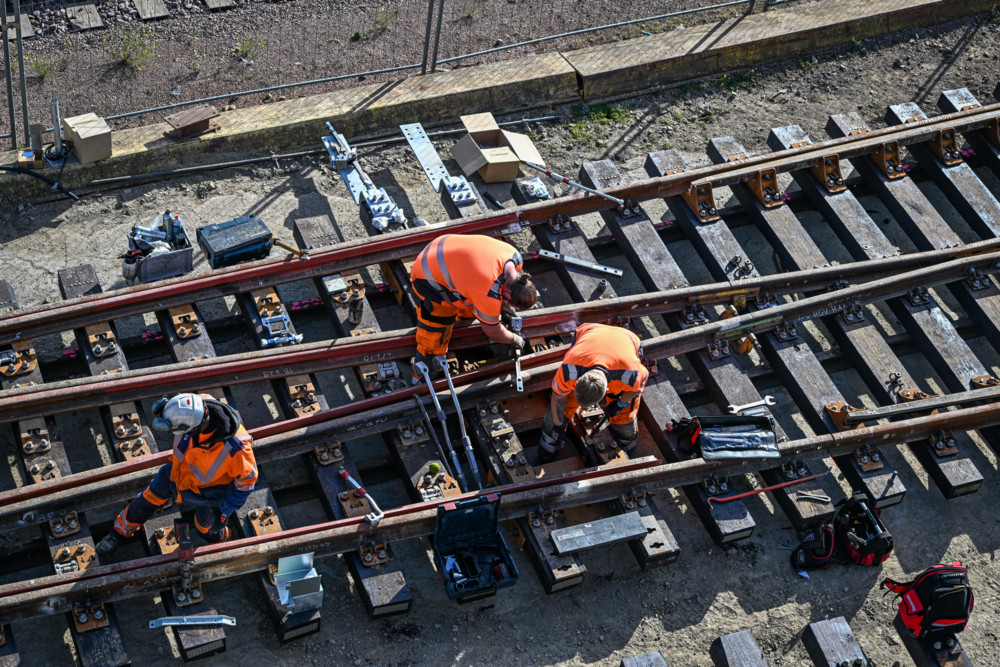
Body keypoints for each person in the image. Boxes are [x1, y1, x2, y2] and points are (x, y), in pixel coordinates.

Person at [95, 393, 258, 560]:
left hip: (210, 491)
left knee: (205, 528)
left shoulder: (238, 449)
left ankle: (222, 537)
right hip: (177, 473)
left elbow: (246, 484)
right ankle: (118, 532)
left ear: (192, 428)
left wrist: (224, 511)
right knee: (147, 499)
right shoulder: (198, 405)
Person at [409, 234, 537, 382]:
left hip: (441, 246)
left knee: (474, 302)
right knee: (434, 337)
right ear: (507, 295)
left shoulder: (515, 258)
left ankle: (461, 318)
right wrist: (513, 338)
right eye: (509, 303)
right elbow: (493, 332)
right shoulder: (489, 290)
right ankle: (420, 375)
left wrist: (499, 304)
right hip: (426, 276)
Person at [538, 323, 648, 463]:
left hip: (627, 338)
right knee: (559, 410)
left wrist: (621, 403)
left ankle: (626, 442)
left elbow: (638, 386)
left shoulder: (630, 373)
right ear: (578, 381)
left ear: (607, 390)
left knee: (624, 415)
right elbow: (557, 397)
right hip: (590, 331)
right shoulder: (569, 369)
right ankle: (547, 448)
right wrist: (557, 425)